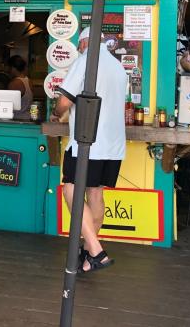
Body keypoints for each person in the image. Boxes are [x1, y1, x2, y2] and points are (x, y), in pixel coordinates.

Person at [50, 39, 127, 273]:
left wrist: (56, 113)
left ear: (85, 42)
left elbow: (65, 101)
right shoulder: (118, 66)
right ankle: (87, 254)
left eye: (79, 45)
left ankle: (96, 250)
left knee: (70, 190)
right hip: (114, 144)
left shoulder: (86, 61)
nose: (78, 49)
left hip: (88, 142)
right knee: (95, 193)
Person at [7, 55, 34, 120]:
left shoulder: (14, 83)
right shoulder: (29, 81)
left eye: (9, 67)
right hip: (28, 118)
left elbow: (8, 105)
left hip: (17, 119)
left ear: (13, 68)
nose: (8, 70)